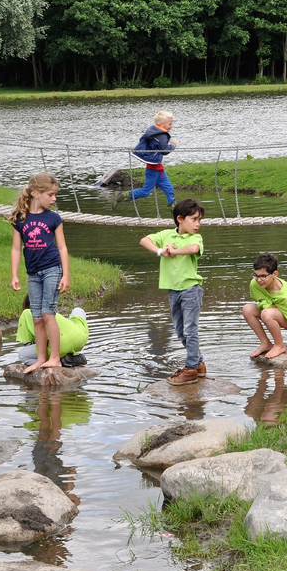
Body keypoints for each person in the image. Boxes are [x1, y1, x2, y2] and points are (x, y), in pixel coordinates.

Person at [140, 197, 206, 386]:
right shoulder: (167, 235)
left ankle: (191, 369)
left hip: (191, 289)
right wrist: (161, 251)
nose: (197, 224)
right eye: (194, 219)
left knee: (190, 330)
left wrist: (174, 251)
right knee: (180, 331)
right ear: (180, 218)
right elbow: (144, 240)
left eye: (199, 220)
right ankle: (199, 364)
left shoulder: (195, 238)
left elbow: (194, 249)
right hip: (173, 291)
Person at [9, 172, 71, 373]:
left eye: (55, 195)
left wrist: (66, 275)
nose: (54, 199)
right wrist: (14, 274)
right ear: (36, 193)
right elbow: (16, 249)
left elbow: (62, 247)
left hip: (52, 268)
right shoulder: (21, 218)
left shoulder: (54, 218)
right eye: (50, 195)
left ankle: (55, 358)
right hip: (33, 272)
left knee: (47, 314)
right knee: (36, 317)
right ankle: (41, 358)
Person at [242, 252, 287, 359]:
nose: (259, 280)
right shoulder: (255, 284)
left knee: (266, 313)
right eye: (256, 275)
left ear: (275, 274)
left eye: (263, 276)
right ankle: (266, 343)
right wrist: (270, 306)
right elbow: (261, 301)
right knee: (247, 309)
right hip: (271, 312)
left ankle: (279, 345)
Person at [115, 110, 177, 207]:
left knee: (169, 189)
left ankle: (174, 208)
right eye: (169, 124)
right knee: (145, 192)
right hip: (153, 170)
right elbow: (165, 150)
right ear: (161, 124)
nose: (171, 126)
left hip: (159, 169)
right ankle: (122, 196)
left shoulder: (153, 133)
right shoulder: (161, 135)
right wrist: (173, 145)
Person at [15, 295, 88, 367]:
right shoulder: (50, 311)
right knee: (78, 310)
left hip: (60, 346)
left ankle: (61, 361)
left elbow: (27, 343)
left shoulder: (26, 313)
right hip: (80, 338)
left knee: (22, 355)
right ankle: (70, 356)